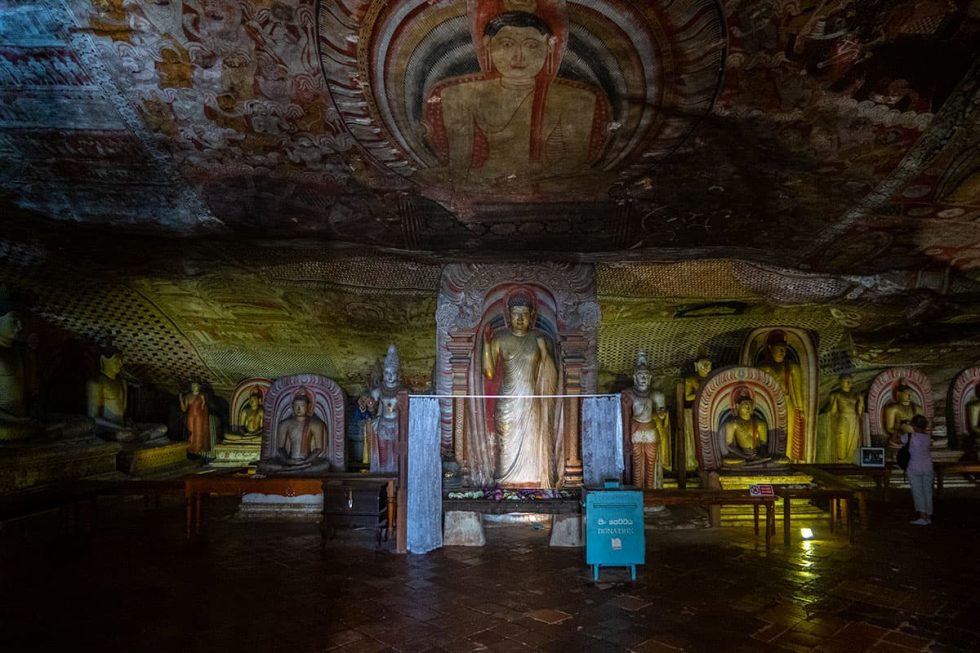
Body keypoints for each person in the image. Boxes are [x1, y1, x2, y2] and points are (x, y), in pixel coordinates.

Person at [426, 9, 608, 191]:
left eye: (531, 46)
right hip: (488, 178)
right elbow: (459, 166)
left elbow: (572, 163)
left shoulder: (577, 99)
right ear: (487, 44)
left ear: (550, 46)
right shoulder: (457, 94)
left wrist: (521, 179)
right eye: (506, 44)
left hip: (547, 181)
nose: (518, 56)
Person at [482, 290, 558, 487]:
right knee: (506, 446)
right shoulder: (500, 338)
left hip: (531, 401)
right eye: (516, 313)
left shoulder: (539, 338)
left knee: (532, 443)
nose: (520, 318)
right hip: (507, 402)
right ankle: (506, 485)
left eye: (524, 313)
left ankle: (532, 483)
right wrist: (486, 345)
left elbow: (551, 377)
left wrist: (543, 351)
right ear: (509, 314)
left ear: (532, 315)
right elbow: (489, 373)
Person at [87, 348, 166, 442]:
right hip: (107, 429)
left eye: (121, 360)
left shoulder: (122, 382)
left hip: (123, 426)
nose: (120, 364)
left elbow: (124, 414)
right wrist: (120, 427)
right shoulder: (96, 383)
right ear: (103, 359)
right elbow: (93, 418)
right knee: (124, 435)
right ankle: (141, 439)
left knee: (162, 428)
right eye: (117, 360)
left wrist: (129, 423)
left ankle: (141, 438)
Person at [757, 330, 807, 461]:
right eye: (779, 349)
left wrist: (800, 410)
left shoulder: (791, 367)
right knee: (770, 432)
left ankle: (788, 458)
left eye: (784, 349)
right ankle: (769, 458)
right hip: (769, 404)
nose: (782, 352)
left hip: (786, 401)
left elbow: (797, 390)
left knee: (788, 434)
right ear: (770, 348)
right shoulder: (762, 368)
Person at [624, 352, 669, 490]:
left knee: (651, 462)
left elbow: (662, 415)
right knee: (636, 463)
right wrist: (625, 438)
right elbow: (625, 416)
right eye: (640, 376)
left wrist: (662, 414)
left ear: (650, 378)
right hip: (635, 430)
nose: (643, 378)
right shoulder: (629, 394)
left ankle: (651, 491)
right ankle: (638, 491)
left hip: (650, 430)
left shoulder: (656, 395)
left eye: (645, 376)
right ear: (635, 377)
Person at [366, 344, 401, 473]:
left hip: (398, 425)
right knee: (383, 453)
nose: (390, 376)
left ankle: (399, 476)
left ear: (398, 374)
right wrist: (370, 407)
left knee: (398, 453)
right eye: (387, 373)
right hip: (383, 424)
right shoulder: (378, 391)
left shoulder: (404, 391)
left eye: (393, 373)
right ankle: (381, 476)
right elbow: (372, 410)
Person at [275, 391, 327, 466]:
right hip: (290, 460)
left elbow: (319, 448)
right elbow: (280, 447)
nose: (298, 408)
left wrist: (305, 461)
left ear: (308, 406)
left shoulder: (316, 424)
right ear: (292, 406)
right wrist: (287, 460)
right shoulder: (284, 423)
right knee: (265, 466)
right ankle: (292, 469)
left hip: (308, 461)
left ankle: (290, 470)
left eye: (302, 405)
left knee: (324, 465)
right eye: (296, 405)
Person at [722, 386, 769, 465]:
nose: (748, 407)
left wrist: (758, 454)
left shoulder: (760, 423)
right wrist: (744, 455)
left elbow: (763, 444)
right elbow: (729, 445)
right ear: (737, 406)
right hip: (740, 455)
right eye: (744, 404)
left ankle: (753, 462)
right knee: (727, 461)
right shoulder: (733, 423)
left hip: (756, 455)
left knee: (777, 460)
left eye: (750, 404)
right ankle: (750, 463)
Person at [681, 356, 712, 471]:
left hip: (709, 412)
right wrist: (701, 393)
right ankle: (694, 461)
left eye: (708, 364)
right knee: (695, 437)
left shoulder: (712, 378)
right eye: (703, 364)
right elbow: (687, 397)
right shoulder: (691, 380)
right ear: (696, 366)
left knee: (709, 437)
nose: (705, 367)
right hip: (695, 411)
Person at [902, 414, 934, 526]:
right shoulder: (928, 437)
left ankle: (922, 517)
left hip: (914, 467)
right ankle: (928, 516)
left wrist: (899, 427)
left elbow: (895, 440)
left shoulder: (910, 436)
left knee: (918, 492)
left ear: (914, 425)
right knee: (928, 492)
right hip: (928, 466)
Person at [827, 373, 864, 463]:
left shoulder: (856, 393)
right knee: (842, 438)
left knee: (854, 440)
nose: (848, 383)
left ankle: (851, 460)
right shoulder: (835, 394)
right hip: (843, 417)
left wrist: (861, 401)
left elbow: (860, 409)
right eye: (846, 380)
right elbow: (833, 410)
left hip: (854, 418)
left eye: (850, 381)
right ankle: (841, 459)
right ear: (840, 382)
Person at [883, 382, 923, 446]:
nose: (909, 396)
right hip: (899, 436)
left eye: (911, 393)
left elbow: (922, 425)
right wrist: (901, 432)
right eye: (906, 393)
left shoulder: (917, 408)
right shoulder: (892, 409)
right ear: (898, 394)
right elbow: (889, 428)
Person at [180, 381, 210, 456]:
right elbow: (184, 409)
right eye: (192, 386)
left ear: (198, 387)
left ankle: (198, 449)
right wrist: (181, 400)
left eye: (195, 386)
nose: (194, 387)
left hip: (199, 415)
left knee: (198, 431)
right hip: (190, 415)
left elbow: (204, 407)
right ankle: (191, 449)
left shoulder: (201, 395)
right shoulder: (188, 396)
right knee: (191, 431)